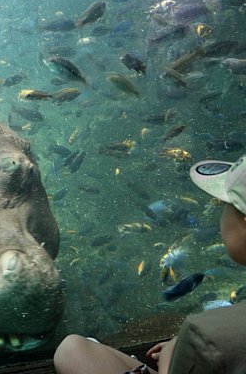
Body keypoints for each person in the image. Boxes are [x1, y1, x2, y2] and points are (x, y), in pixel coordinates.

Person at [54, 156, 246, 374]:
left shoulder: (206, 335)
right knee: (73, 348)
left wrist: (169, 361)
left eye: (226, 204)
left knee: (71, 351)